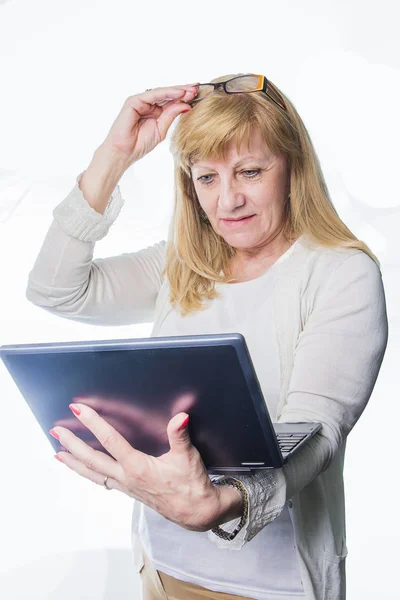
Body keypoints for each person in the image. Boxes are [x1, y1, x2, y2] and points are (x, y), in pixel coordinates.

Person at [25, 73, 388, 600]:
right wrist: (116, 155)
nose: (229, 201)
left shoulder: (340, 272)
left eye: (250, 171)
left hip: (269, 586)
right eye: (206, 178)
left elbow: (319, 431)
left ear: (293, 168)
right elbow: (55, 290)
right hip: (161, 568)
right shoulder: (185, 263)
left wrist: (225, 501)